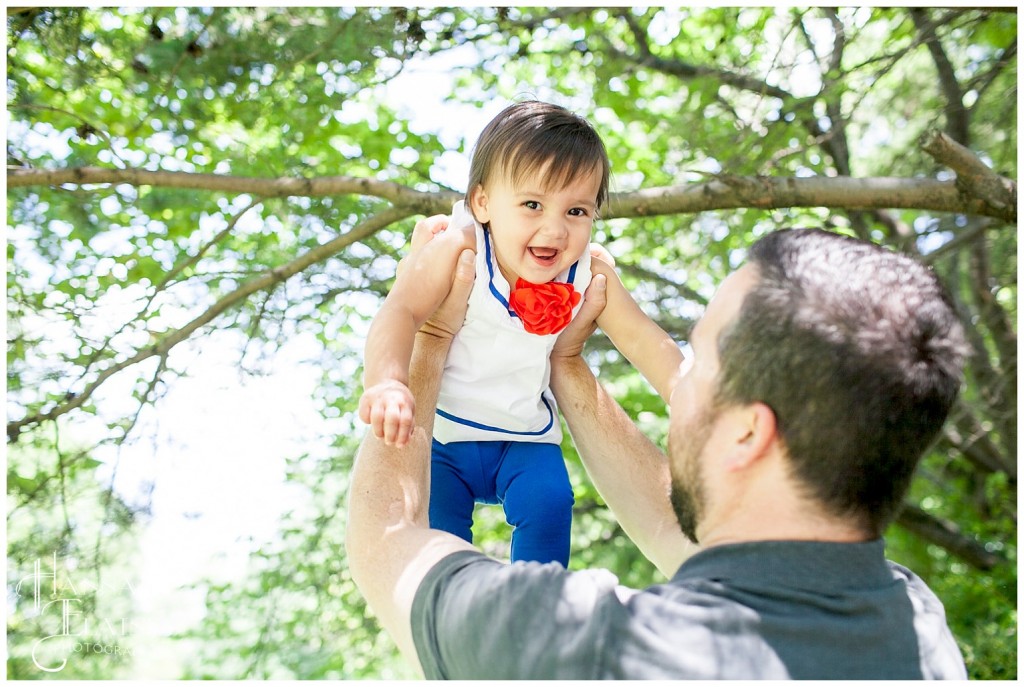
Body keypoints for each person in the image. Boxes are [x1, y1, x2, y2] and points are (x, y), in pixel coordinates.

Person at [346, 224, 971, 679]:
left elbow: (386, 540)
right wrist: (565, 365)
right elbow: (687, 528)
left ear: (749, 434)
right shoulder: (915, 625)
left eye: (698, 361)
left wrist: (429, 338)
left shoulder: (602, 651)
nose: (679, 382)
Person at [357, 101, 682, 566]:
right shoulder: (459, 247)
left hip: (525, 437)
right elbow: (402, 309)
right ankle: (459, 610)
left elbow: (642, 338)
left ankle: (539, 601)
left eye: (576, 211)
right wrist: (386, 381)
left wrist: (687, 391)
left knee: (550, 504)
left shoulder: (587, 271)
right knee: (440, 538)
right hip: (447, 437)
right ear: (482, 202)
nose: (554, 229)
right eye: (532, 204)